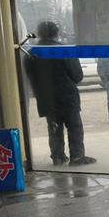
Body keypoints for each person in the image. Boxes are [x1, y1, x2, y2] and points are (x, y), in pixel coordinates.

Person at [24, 21, 97, 166]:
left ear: (39, 33)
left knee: (54, 127)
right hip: (67, 97)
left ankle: (57, 157)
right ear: (56, 33)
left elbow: (31, 77)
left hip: (46, 98)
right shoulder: (64, 50)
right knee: (74, 127)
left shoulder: (31, 53)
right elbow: (77, 76)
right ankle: (77, 157)